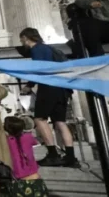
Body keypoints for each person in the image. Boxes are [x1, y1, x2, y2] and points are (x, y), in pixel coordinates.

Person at [19, 28, 79, 168]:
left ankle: (53, 155)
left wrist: (29, 85)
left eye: (22, 40)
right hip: (62, 89)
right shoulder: (50, 49)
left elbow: (41, 69)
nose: (22, 44)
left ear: (26, 38)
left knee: (39, 119)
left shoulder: (37, 49)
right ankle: (70, 157)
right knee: (60, 122)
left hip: (49, 87)